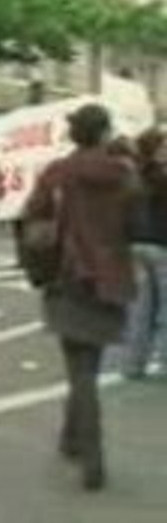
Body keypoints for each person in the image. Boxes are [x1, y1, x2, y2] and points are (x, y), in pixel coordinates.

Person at [22, 104, 137, 491]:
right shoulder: (123, 174)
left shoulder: (58, 173)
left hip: (68, 273)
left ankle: (91, 452)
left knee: (79, 368)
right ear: (104, 133)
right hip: (111, 277)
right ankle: (75, 439)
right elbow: (137, 222)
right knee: (91, 359)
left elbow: (31, 216)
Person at [122, 128, 167, 379]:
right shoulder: (162, 176)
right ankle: (164, 361)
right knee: (164, 309)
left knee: (139, 309)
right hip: (162, 244)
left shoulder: (133, 175)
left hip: (136, 245)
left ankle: (134, 363)